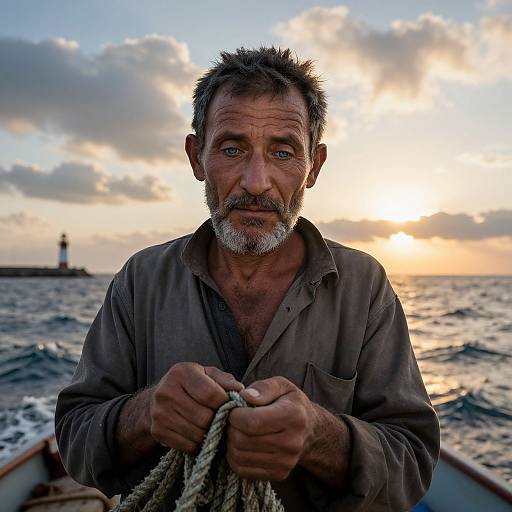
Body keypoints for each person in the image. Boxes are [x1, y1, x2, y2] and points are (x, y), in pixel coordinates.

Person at [55, 47, 440, 511]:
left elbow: (413, 461)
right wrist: (144, 413)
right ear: (197, 157)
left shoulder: (364, 286)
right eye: (232, 149)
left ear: (313, 168)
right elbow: (75, 440)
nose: (256, 182)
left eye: (282, 151)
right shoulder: (141, 280)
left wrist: (320, 435)